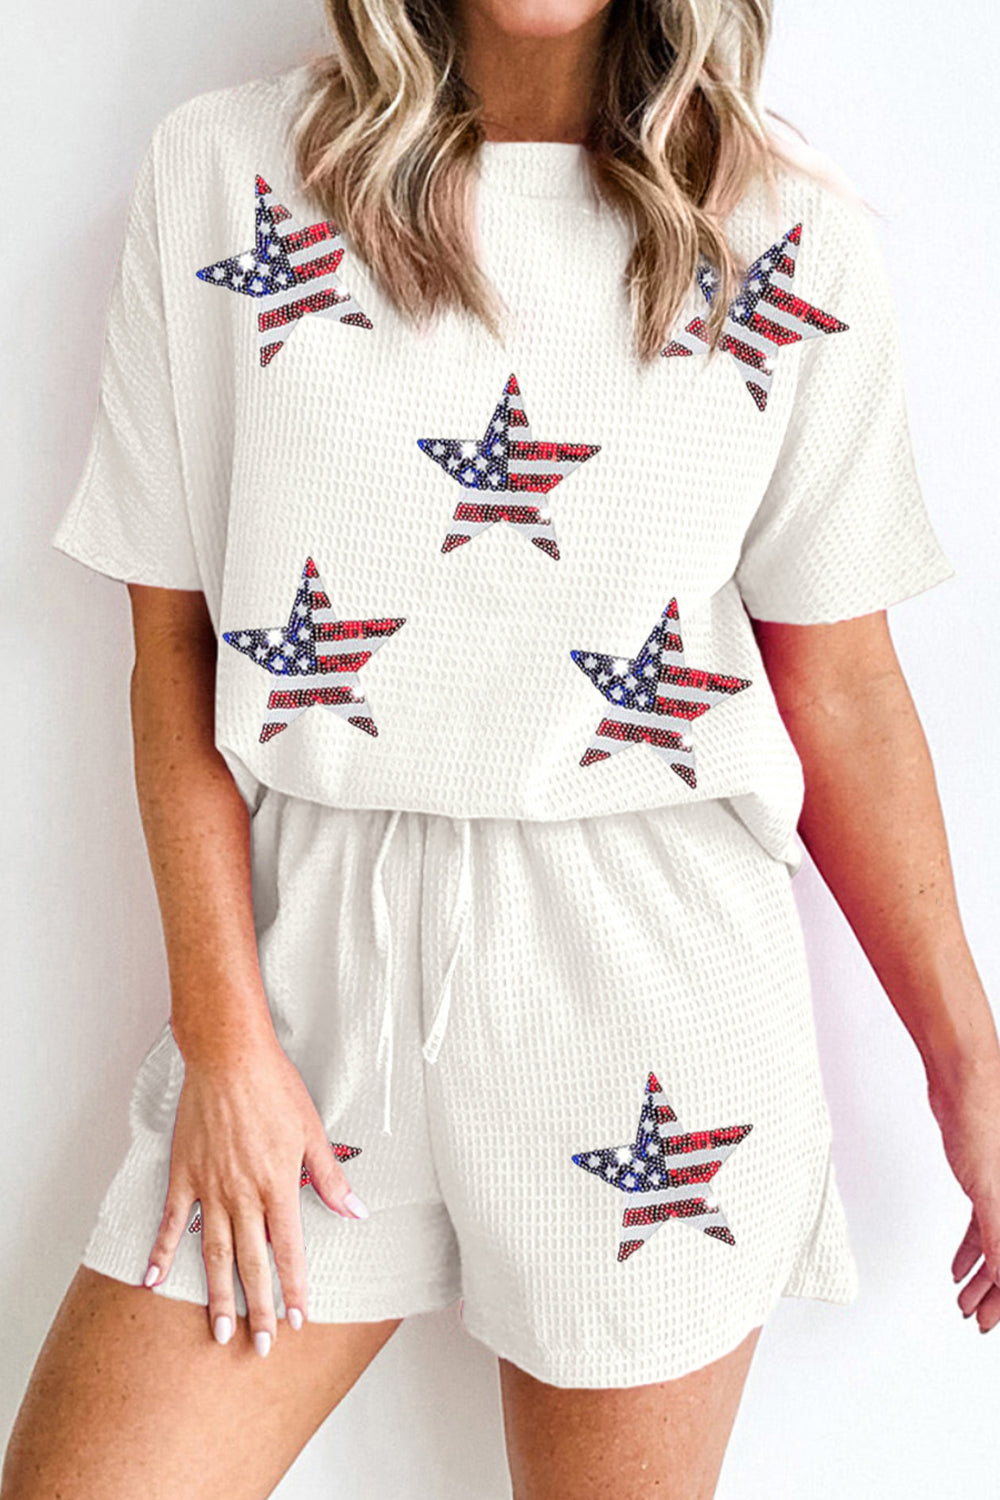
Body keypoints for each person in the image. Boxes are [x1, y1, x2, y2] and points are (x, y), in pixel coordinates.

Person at [4, 1, 998, 1496]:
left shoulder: (786, 240)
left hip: (654, 1000)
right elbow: (173, 653)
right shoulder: (225, 176)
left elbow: (842, 686)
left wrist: (969, 1066)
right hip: (308, 988)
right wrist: (223, 1038)